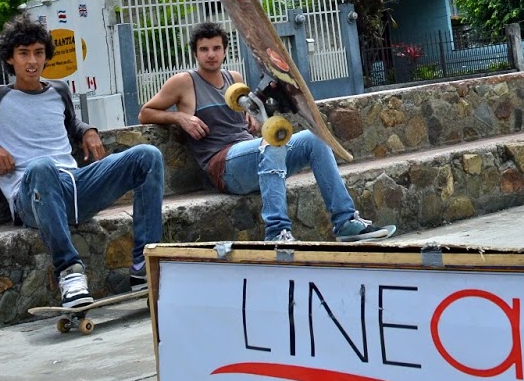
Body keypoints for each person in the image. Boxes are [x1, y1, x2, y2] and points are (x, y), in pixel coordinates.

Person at [0, 15, 164, 308]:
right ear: (10, 58)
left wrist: (87, 130)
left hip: (74, 188)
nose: (32, 61)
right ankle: (69, 272)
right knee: (41, 165)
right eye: (23, 54)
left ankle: (145, 265)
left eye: (38, 53)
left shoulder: (58, 91)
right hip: (32, 197)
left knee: (148, 156)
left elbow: (71, 123)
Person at [139, 21, 390, 244]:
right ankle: (276, 232)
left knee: (314, 138)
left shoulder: (233, 78)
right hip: (224, 167)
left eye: (216, 48)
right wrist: (180, 117)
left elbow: (250, 110)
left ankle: (345, 222)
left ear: (225, 51)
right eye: (204, 49)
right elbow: (145, 112)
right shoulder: (184, 81)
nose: (211, 55)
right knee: (271, 144)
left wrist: (252, 114)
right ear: (195, 53)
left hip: (254, 155)